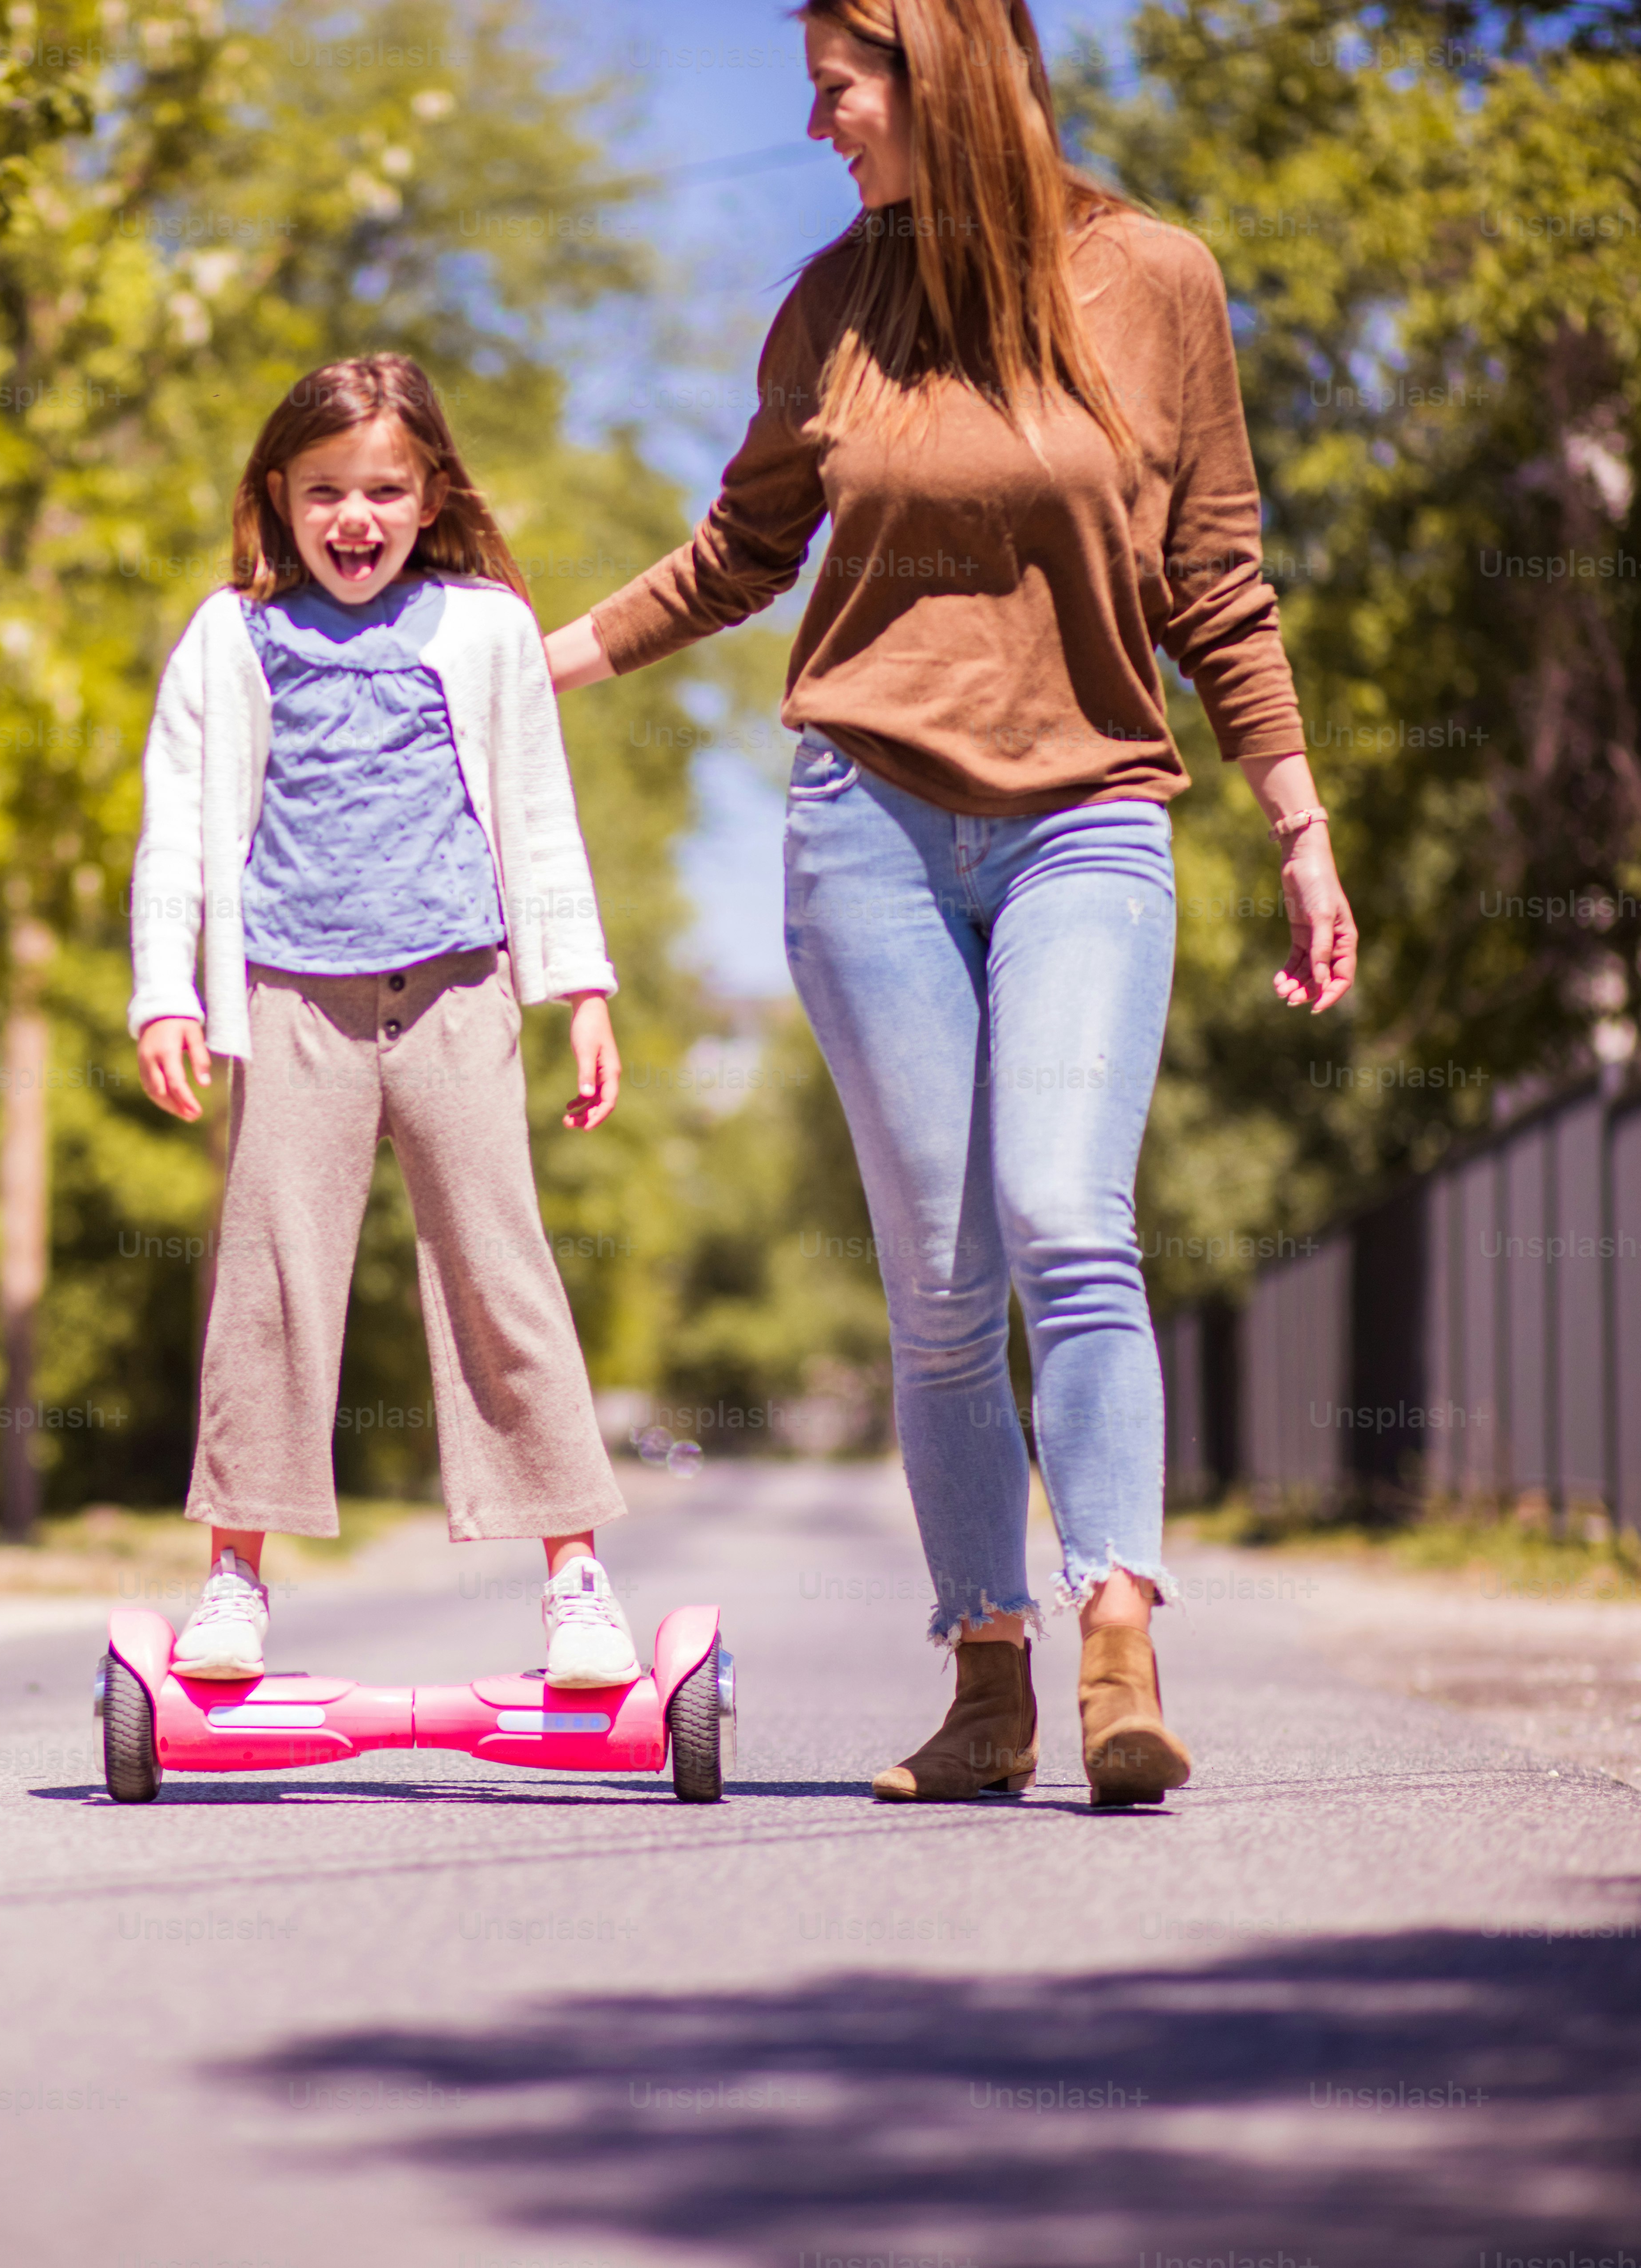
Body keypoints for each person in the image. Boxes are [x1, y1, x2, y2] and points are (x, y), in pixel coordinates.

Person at [544, 0, 1358, 1805]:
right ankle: (982, 1677)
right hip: (865, 824)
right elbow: (738, 552)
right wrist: (524, 666)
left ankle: (1114, 1635)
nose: (821, 125)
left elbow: (1217, 579)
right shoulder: (835, 306)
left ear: (941, 75)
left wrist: (1296, 820)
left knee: (1066, 1212)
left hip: (1090, 817)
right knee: (935, 1279)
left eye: (838, 89)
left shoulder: (1149, 279)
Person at [129, 352, 644, 1689]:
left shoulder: (483, 630)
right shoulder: (227, 638)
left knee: (498, 1261)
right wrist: (166, 992)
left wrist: (581, 985)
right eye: (324, 491)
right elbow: (175, 835)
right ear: (277, 498)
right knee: (272, 1274)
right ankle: (235, 1574)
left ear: (428, 498)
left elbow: (539, 814)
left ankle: (575, 1574)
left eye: (384, 489)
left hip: (459, 988)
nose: (353, 517)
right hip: (293, 995)